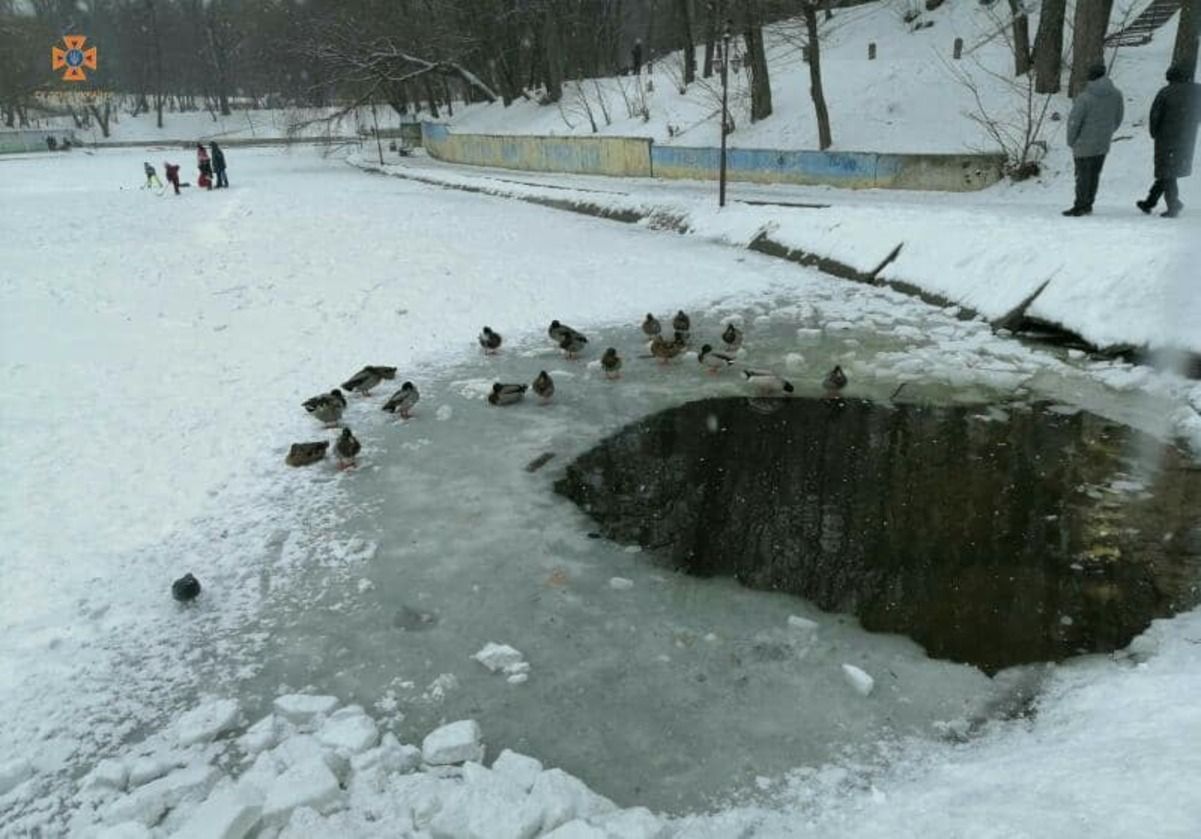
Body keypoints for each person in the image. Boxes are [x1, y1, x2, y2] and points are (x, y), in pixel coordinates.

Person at [1137, 65, 1201, 219]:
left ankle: (1173, 205)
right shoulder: (1197, 92)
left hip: (1167, 138)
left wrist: (1154, 132)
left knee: (1167, 171)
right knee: (1169, 171)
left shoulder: (1166, 93)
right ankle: (1150, 202)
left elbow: (1155, 116)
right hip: (1187, 139)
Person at [1063, 64, 1124, 217]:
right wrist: (1107, 132)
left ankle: (1080, 205)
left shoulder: (1084, 97)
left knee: (1082, 175)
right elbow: (1118, 117)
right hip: (1102, 143)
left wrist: (1071, 141)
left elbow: (1075, 121)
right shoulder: (1116, 94)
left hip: (1084, 143)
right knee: (1094, 175)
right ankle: (1088, 203)